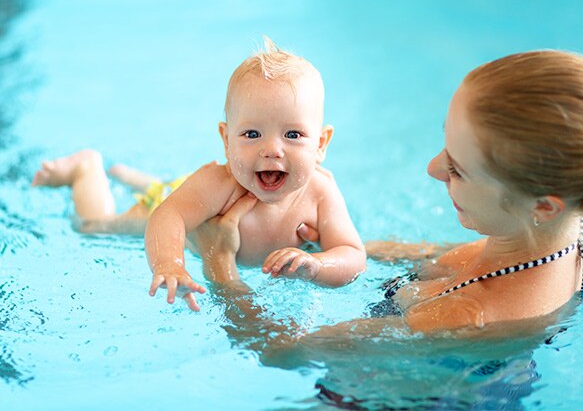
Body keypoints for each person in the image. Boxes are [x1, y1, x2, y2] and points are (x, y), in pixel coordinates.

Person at [213, 50, 583, 335]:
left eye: (459, 168)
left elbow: (283, 352)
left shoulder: (466, 315)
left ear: (543, 205)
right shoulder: (574, 237)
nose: (433, 168)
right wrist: (338, 248)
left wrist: (221, 270)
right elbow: (449, 258)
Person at [32, 39, 366, 312]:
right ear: (225, 140)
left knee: (180, 191)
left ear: (321, 144)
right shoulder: (220, 184)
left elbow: (352, 254)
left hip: (191, 195)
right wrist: (169, 262)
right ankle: (85, 169)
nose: (272, 150)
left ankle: (136, 177)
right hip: (178, 199)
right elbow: (169, 214)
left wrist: (317, 266)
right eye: (252, 134)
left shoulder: (321, 192)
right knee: (96, 226)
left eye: (293, 135)